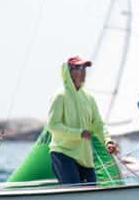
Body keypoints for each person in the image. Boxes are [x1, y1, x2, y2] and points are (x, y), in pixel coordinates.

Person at [47, 56, 119, 186]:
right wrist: (78, 133)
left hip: (85, 158)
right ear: (68, 71)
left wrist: (107, 141)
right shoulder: (59, 95)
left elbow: (98, 124)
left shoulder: (89, 98)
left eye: (85, 68)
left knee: (90, 195)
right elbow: (53, 125)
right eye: (79, 68)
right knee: (76, 195)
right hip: (63, 153)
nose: (84, 71)